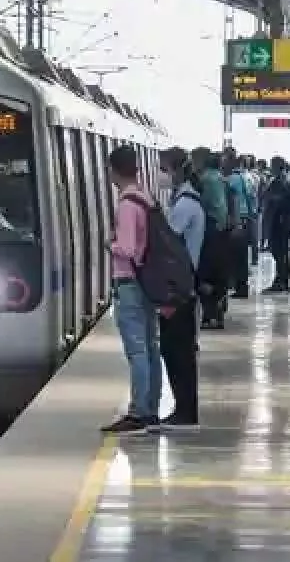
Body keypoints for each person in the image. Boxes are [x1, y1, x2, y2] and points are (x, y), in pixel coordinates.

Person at [101, 145, 161, 435]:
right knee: (150, 347)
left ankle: (138, 413)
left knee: (137, 350)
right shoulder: (145, 196)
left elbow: (125, 249)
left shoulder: (126, 204)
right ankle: (151, 408)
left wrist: (108, 245)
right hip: (146, 282)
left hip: (129, 283)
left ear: (113, 170)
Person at [156, 147, 205, 428]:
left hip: (179, 287)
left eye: (163, 169)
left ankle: (185, 411)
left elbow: (169, 242)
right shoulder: (186, 199)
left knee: (177, 352)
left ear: (174, 170)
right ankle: (184, 409)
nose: (161, 175)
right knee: (177, 350)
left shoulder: (185, 204)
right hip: (184, 285)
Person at [197, 152, 232, 329]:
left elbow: (201, 204)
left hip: (209, 230)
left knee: (205, 275)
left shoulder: (204, 180)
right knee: (219, 275)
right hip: (223, 231)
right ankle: (218, 312)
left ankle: (210, 315)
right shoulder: (224, 180)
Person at [261, 156, 290, 294]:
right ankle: (281, 279)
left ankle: (282, 281)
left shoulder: (284, 180)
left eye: (273, 165)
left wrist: (276, 201)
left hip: (281, 221)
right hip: (277, 220)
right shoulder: (280, 179)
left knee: (280, 251)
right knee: (279, 252)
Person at [226, 154, 257, 298]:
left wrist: (236, 222)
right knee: (242, 255)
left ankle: (240, 287)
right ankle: (242, 286)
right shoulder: (246, 177)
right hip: (246, 218)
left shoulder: (233, 179)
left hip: (238, 219)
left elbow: (235, 200)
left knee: (238, 256)